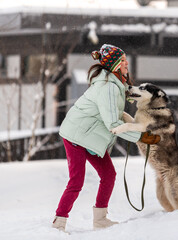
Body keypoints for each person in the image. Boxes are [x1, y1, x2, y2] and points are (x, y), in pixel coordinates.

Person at [52, 44, 160, 232]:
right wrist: (141, 137)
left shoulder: (117, 84)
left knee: (108, 175)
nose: (127, 64)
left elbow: (117, 114)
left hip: (89, 136)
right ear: (116, 64)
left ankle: (100, 219)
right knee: (76, 180)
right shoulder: (108, 87)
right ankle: (58, 222)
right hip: (76, 135)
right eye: (124, 61)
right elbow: (113, 124)